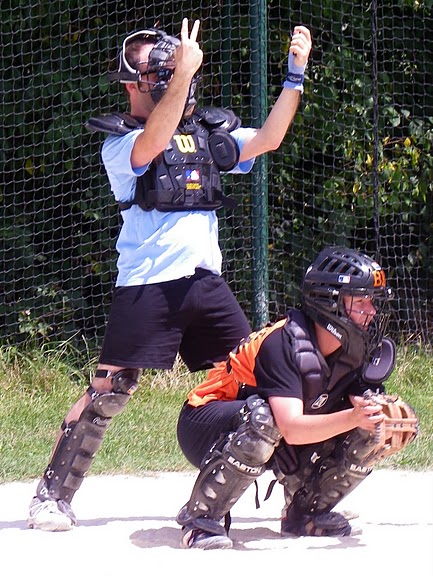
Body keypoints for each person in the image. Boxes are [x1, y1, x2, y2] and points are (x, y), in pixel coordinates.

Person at [26, 19, 312, 531]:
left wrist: (294, 75)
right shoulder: (121, 142)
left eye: (172, 69)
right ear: (132, 82)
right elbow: (152, 145)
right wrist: (183, 74)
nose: (169, 77)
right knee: (110, 387)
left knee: (269, 377)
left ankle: (299, 496)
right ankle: (51, 496)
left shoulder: (206, 135)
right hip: (148, 282)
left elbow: (269, 139)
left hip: (205, 281)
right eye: (157, 71)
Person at [175, 245, 403, 549]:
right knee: (263, 417)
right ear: (330, 302)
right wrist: (352, 416)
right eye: (360, 301)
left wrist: (376, 416)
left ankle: (305, 513)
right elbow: (291, 428)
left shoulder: (353, 349)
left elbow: (357, 409)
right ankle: (201, 518)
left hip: (269, 433)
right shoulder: (283, 344)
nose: (371, 311)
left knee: (372, 426)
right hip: (203, 424)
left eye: (371, 302)